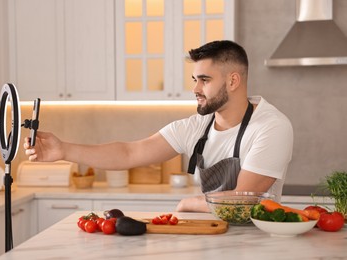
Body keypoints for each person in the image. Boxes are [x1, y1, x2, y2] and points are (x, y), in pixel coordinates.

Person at [24, 40, 293, 212]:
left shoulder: (271, 127)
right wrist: (64, 150)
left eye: (204, 80)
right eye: (194, 79)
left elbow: (242, 199)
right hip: (210, 235)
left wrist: (190, 203)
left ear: (233, 81)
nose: (195, 89)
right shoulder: (196, 126)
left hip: (256, 244)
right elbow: (129, 153)